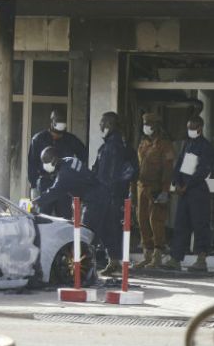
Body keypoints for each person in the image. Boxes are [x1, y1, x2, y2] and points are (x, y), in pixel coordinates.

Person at [162, 116, 214, 272]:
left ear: (200, 127)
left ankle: (201, 259)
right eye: (188, 127)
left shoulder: (206, 147)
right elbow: (179, 164)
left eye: (192, 127)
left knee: (200, 225)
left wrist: (188, 185)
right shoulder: (187, 144)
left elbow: (203, 170)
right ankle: (175, 258)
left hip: (197, 191)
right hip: (184, 191)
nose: (190, 130)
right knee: (181, 224)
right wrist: (176, 182)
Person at [88, 112, 139, 277]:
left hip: (109, 196)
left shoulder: (113, 147)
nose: (100, 126)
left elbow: (106, 174)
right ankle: (114, 260)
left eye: (102, 123)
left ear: (108, 125)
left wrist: (105, 191)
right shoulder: (119, 145)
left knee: (105, 228)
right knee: (110, 229)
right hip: (115, 194)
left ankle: (109, 260)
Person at [133, 113, 175, 270]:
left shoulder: (165, 145)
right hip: (141, 187)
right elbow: (138, 166)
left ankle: (158, 255)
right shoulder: (143, 143)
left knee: (156, 221)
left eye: (149, 123)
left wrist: (165, 190)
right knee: (142, 220)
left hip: (156, 188)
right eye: (144, 123)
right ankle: (147, 255)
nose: (146, 126)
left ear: (156, 125)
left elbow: (168, 169)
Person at [27, 110, 87, 219]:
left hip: (64, 182)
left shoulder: (70, 139)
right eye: (55, 134)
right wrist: (34, 185)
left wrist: (75, 175)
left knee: (64, 218)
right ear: (52, 123)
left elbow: (83, 155)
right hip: (45, 182)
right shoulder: (39, 139)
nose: (57, 136)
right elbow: (32, 163)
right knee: (42, 217)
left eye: (60, 134)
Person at [32, 146, 108, 226]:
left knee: (87, 232)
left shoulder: (65, 173)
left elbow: (54, 192)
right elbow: (76, 183)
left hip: (94, 201)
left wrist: (36, 202)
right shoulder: (69, 160)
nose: (44, 165)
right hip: (99, 195)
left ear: (54, 160)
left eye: (46, 162)